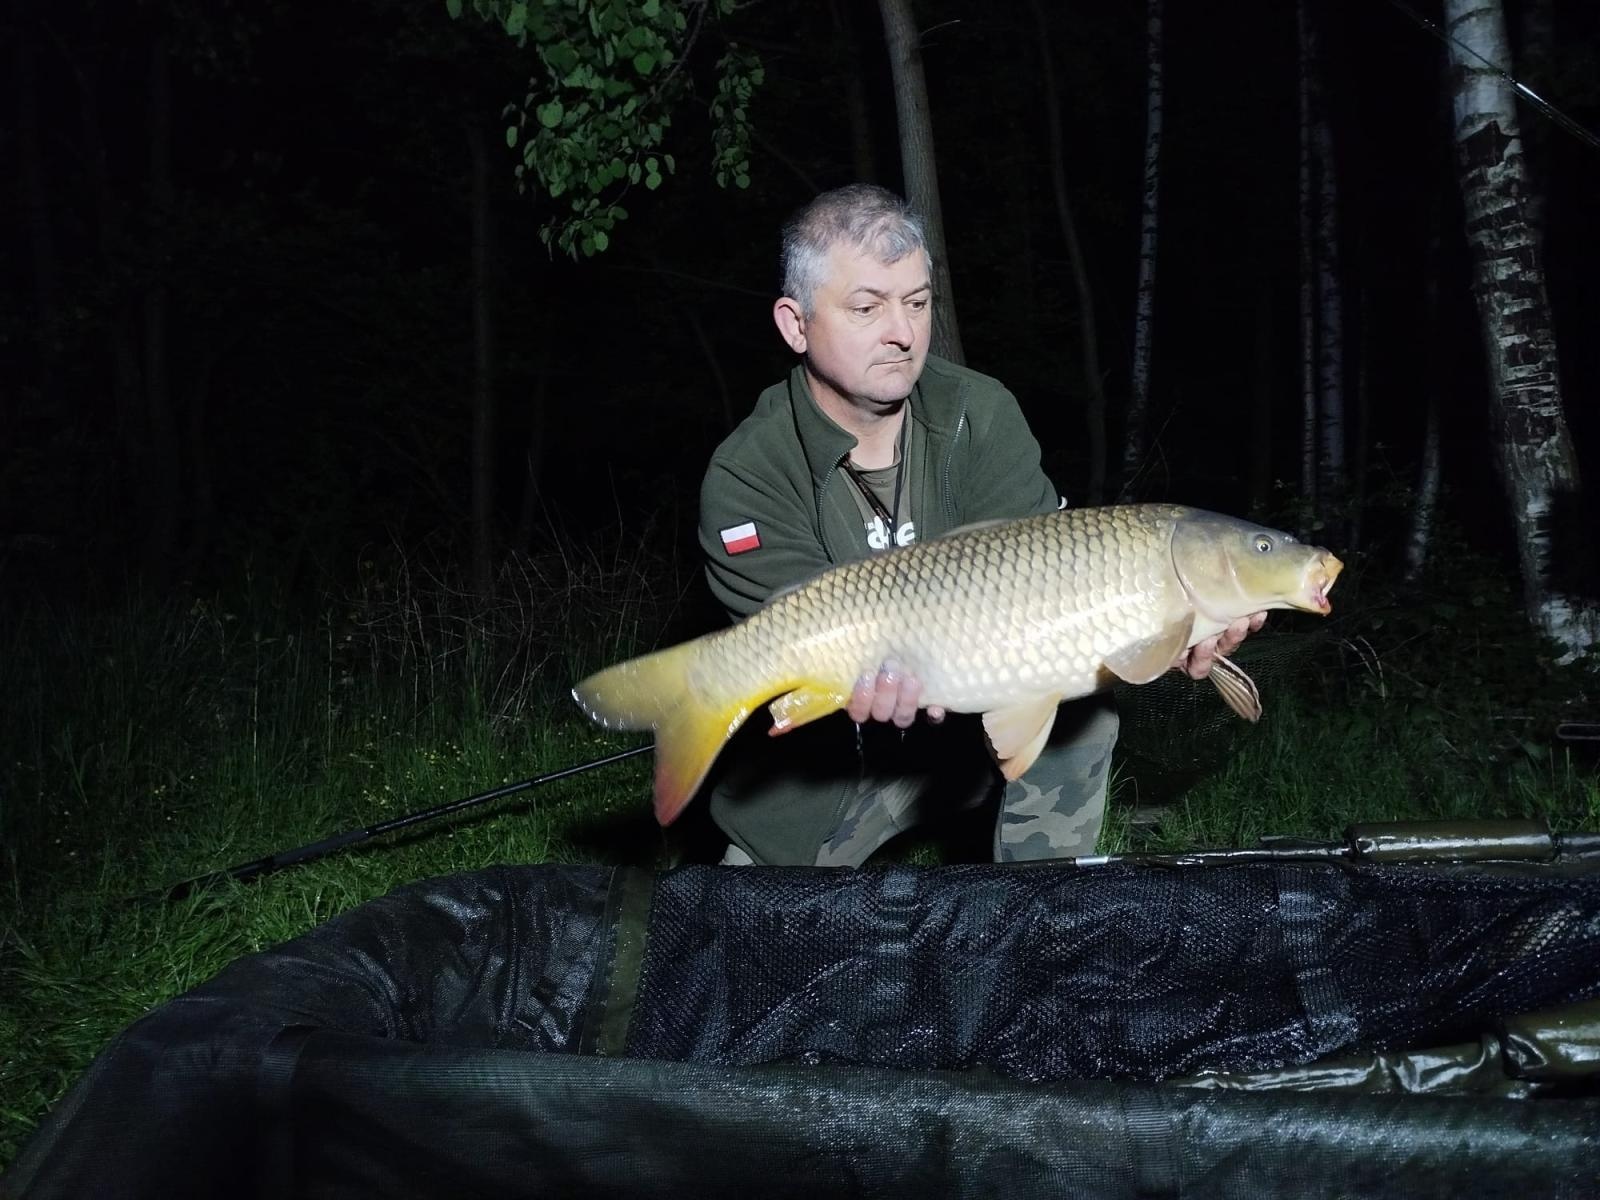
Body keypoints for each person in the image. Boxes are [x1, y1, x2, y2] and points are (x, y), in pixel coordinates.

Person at [697, 184, 1261, 868]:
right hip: (826, 767)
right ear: (795, 324)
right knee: (756, 933)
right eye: (867, 307)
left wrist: (1165, 626)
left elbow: (1053, 600)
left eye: (917, 302)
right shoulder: (748, 473)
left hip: (972, 723)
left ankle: (1033, 923)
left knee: (1083, 717)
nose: (902, 333)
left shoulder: (979, 414)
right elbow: (801, 648)